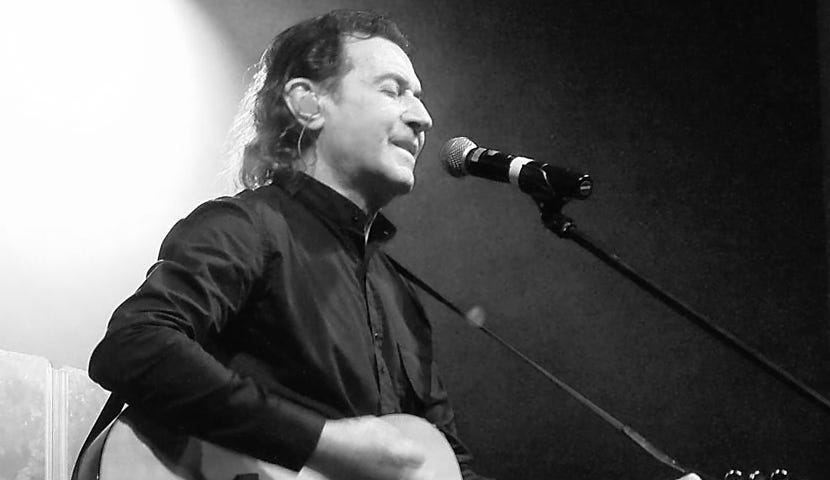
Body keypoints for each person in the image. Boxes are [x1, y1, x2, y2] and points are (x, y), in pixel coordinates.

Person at [87, 9, 492, 480]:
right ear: (308, 103)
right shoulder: (246, 227)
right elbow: (134, 346)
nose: (423, 117)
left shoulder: (402, 303)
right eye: (392, 90)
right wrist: (322, 444)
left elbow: (448, 466)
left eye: (418, 97)